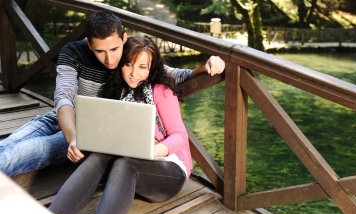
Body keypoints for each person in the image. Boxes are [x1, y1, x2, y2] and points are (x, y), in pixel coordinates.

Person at [0, 11, 225, 177]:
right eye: (100, 51)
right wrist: (72, 137)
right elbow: (63, 97)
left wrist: (206, 66)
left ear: (124, 39)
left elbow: (174, 74)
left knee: (11, 156)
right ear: (89, 44)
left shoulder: (128, 58)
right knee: (5, 147)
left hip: (89, 131)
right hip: (61, 119)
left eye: (114, 49)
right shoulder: (72, 53)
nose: (110, 59)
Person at [49, 35, 192, 214]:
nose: (135, 73)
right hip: (125, 161)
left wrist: (151, 150)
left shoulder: (161, 91)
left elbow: (180, 136)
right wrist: (80, 143)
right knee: (101, 155)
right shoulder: (117, 90)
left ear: (152, 68)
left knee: (127, 164)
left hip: (168, 169)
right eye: (128, 64)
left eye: (143, 67)